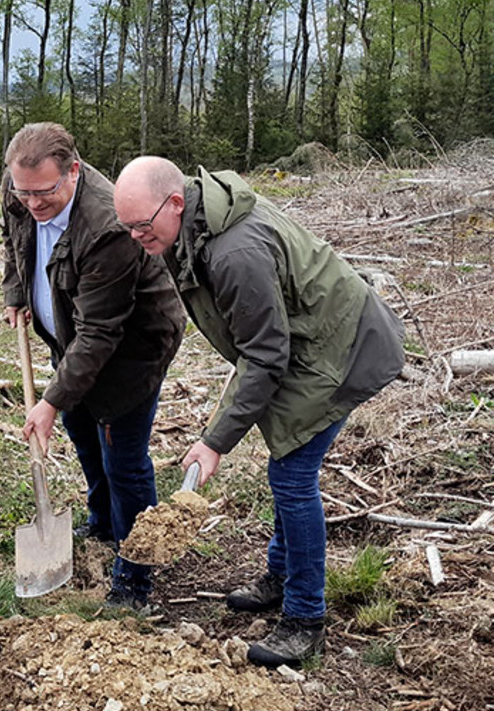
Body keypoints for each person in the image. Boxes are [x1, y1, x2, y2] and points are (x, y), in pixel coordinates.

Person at [113, 155, 405, 667]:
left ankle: (304, 618)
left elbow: (267, 355)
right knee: (286, 469)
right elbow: (259, 342)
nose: (135, 237)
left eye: (141, 225)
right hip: (307, 344)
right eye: (127, 227)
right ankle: (281, 575)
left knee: (292, 476)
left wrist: (215, 440)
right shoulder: (189, 227)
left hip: (344, 348)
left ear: (176, 202)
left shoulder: (234, 252)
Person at [0, 123, 185, 612]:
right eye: (24, 192)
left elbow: (101, 333)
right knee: (82, 431)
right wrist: (16, 290)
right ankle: (102, 521)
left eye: (44, 193)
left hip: (131, 348)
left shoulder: (106, 226)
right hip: (70, 335)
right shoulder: (20, 186)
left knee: (121, 457)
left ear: (73, 171)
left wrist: (50, 400)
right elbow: (12, 238)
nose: (32, 203)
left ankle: (136, 573)